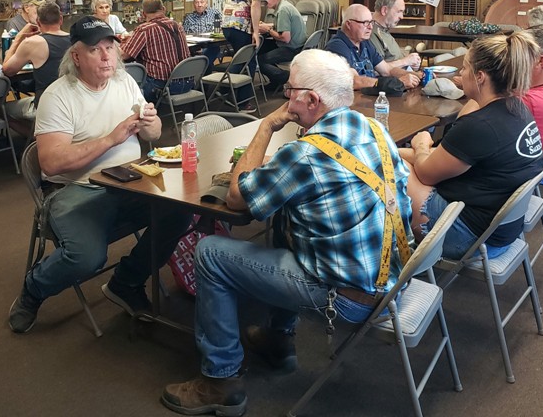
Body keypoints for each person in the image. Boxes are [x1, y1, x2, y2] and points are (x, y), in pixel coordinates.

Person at [161, 49, 413, 416]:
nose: (284, 96)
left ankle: (220, 382)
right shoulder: (372, 126)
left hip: (346, 299)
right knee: (284, 219)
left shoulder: (305, 154)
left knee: (211, 252)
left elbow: (236, 199)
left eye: (289, 89)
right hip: (389, 280)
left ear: (310, 99)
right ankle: (279, 341)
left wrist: (266, 126)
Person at [8, 16, 190, 334]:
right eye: (96, 49)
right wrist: (111, 138)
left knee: (180, 209)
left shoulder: (124, 82)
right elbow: (50, 163)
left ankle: (126, 282)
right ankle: (33, 289)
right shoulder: (58, 96)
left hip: (132, 179)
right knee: (85, 257)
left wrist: (150, 124)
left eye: (110, 47)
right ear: (76, 56)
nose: (107, 56)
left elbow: (154, 133)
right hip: (76, 190)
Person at [401, 30, 543, 260]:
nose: (461, 74)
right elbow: (444, 157)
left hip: (468, 239)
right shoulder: (517, 110)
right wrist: (409, 149)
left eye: (465, 68)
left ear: (480, 76)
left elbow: (425, 173)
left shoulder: (481, 126)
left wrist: (421, 144)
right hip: (500, 231)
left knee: (390, 169)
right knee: (392, 157)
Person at [459, 25, 543, 153]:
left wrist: (478, 83)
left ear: (540, 62)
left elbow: (464, 125)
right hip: (541, 164)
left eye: (520, 54)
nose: (513, 59)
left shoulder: (526, 101)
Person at [1, 1, 71, 137]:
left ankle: (37, 137)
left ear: (38, 22)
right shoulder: (76, 40)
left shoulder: (32, 43)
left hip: (46, 106)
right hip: (72, 104)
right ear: (61, 19)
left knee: (2, 110)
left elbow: (7, 69)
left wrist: (18, 38)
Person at [325, 3, 420, 90]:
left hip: (369, 98)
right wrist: (398, 82)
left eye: (371, 22)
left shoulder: (364, 43)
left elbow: (387, 70)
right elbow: (353, 81)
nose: (370, 27)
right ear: (349, 24)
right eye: (365, 23)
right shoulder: (337, 46)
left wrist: (415, 76)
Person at [120, 0, 192, 102]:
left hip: (161, 86)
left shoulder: (144, 29)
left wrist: (112, 46)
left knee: (126, 81)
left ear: (144, 14)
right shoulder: (177, 25)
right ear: (163, 9)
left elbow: (125, 55)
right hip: (187, 82)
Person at [256, 0, 307, 89]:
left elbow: (285, 38)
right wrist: (268, 26)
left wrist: (268, 29)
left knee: (258, 60)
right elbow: (282, 27)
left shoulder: (283, 10)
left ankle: (284, 77)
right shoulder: (285, 5)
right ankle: (276, 82)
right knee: (259, 49)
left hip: (292, 48)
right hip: (298, 44)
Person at [370, 0, 422, 72]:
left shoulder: (384, 30)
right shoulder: (371, 33)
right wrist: (405, 61)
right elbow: (378, 69)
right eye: (399, 11)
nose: (402, 17)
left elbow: (395, 58)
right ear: (384, 10)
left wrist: (411, 63)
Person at [183, 0, 222, 70]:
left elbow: (219, 30)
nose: (199, 5)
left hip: (210, 46)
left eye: (202, 2)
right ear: (193, 4)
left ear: (206, 3)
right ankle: (203, 74)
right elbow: (185, 35)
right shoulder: (189, 18)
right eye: (197, 2)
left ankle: (200, 71)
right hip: (194, 48)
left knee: (213, 49)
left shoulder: (215, 13)